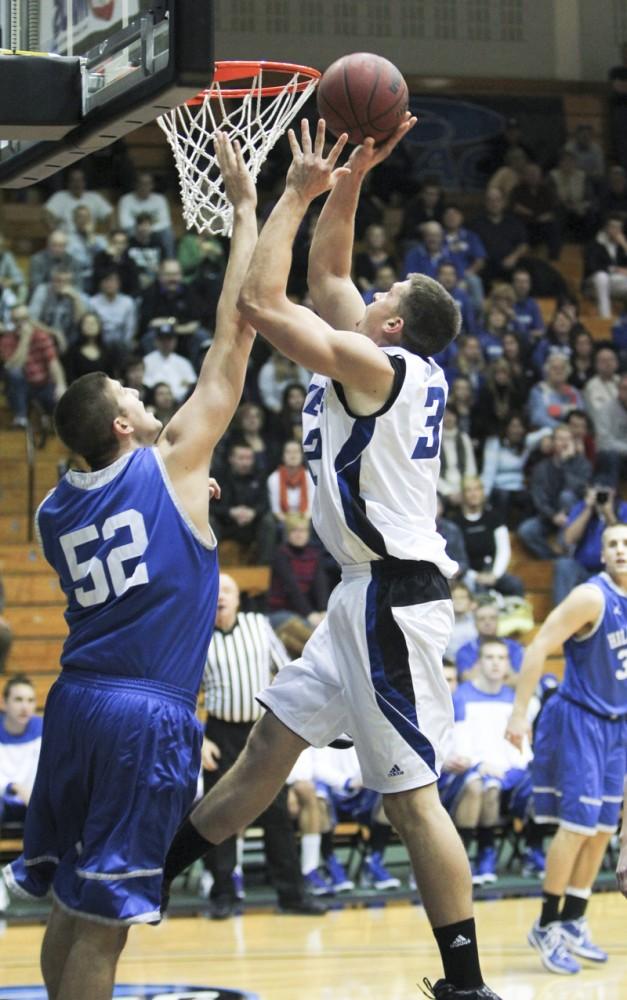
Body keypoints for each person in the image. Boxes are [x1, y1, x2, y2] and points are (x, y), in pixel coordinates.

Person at [162, 119, 502, 1000]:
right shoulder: (384, 358)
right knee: (266, 753)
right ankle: (148, 879)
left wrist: (292, 195)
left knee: (409, 797)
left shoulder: (373, 365)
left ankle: (466, 984)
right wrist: (350, 175)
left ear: (391, 322)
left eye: (380, 294)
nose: (364, 295)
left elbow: (266, 305)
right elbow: (329, 275)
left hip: (393, 598)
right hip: (362, 596)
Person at [1, 134, 258, 1000]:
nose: (148, 401)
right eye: (133, 398)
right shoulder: (171, 466)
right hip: (143, 714)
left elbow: (132, 528)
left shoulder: (49, 510)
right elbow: (236, 332)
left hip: (75, 702)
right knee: (106, 924)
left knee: (71, 904)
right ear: (119, 428)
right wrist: (247, 207)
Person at [506, 523, 627, 975]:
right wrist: (519, 714)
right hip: (579, 719)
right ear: (602, 553)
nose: (620, 550)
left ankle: (574, 920)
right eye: (613, 543)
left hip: (617, 726)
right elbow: (538, 647)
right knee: (576, 828)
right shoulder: (591, 597)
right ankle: (547, 923)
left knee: (600, 830)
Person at [199, 573, 326, 919]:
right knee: (220, 813)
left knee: (277, 814)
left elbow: (286, 672)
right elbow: (183, 694)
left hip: (261, 730)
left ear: (238, 598)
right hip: (220, 735)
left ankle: (291, 895)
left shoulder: (258, 625)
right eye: (214, 590)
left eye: (227, 589)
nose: (221, 596)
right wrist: (199, 738)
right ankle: (223, 894)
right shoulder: (195, 636)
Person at [439, 640, 533, 885]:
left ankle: (487, 855)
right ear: (479, 663)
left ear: (508, 665)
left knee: (494, 786)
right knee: (480, 785)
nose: (495, 663)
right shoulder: (461, 696)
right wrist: (480, 765)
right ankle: (463, 858)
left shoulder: (514, 700)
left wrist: (509, 772)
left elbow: (521, 752)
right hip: (468, 771)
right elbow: (459, 747)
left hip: (506, 775)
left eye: (501, 658)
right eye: (489, 657)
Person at [517, 424, 591, 560]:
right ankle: (553, 558)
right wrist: (553, 516)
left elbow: (580, 490)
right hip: (550, 516)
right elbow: (538, 496)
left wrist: (566, 463)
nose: (564, 443)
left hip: (574, 517)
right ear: (552, 442)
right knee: (526, 530)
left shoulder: (583, 464)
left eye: (567, 439)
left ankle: (564, 546)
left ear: (573, 442)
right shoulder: (542, 467)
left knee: (566, 496)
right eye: (560, 439)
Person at [553, 484, 627, 605]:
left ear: (613, 492)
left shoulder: (623, 509)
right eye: (596, 491)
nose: (600, 495)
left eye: (604, 491)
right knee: (563, 564)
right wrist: (587, 510)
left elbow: (621, 537)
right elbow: (568, 540)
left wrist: (608, 513)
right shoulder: (581, 507)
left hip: (610, 570)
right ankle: (559, 616)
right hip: (582, 569)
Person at [0, 674, 42, 827]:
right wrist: (14, 787)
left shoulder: (44, 730)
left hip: (34, 801)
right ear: (4, 703)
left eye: (30, 700)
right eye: (18, 700)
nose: (25, 707)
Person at [455, 603, 523, 680]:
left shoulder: (514, 647)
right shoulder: (464, 651)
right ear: (475, 624)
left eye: (492, 618)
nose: (487, 622)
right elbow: (467, 680)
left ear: (498, 622)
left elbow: (520, 679)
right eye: (482, 619)